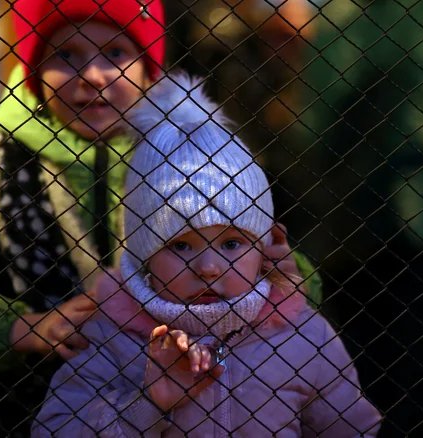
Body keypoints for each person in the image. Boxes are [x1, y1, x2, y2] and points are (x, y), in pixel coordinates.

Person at [31, 74, 381, 437]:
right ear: (143, 255)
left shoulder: (304, 335)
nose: (209, 268)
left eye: (231, 244)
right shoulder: (111, 339)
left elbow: (353, 429)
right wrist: (149, 405)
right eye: (181, 246)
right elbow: (55, 430)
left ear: (266, 245)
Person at [0, 0, 165, 436]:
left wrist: (282, 279)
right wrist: (23, 326)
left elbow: (292, 284)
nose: (92, 77)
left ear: (148, 69)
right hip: (14, 418)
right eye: (65, 56)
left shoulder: (195, 164)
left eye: (116, 53)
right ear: (34, 73)